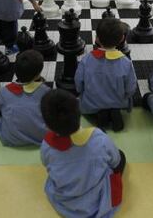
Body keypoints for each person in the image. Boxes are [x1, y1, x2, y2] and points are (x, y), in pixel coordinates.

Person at [40, 89, 126, 217]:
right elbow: (116, 162)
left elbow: (46, 165)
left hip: (65, 202)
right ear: (79, 113)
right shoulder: (99, 138)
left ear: (47, 125)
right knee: (121, 156)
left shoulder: (46, 145)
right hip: (99, 199)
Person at [75, 18, 137, 132]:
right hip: (119, 102)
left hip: (91, 103)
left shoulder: (86, 60)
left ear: (96, 38)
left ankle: (100, 114)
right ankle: (113, 111)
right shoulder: (126, 63)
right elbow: (131, 89)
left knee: (83, 103)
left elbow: (78, 85)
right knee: (119, 100)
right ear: (122, 39)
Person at [0, 50, 50, 146]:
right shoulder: (45, 91)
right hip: (41, 137)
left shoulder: (4, 91)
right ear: (38, 74)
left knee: (0, 115)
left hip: (10, 138)